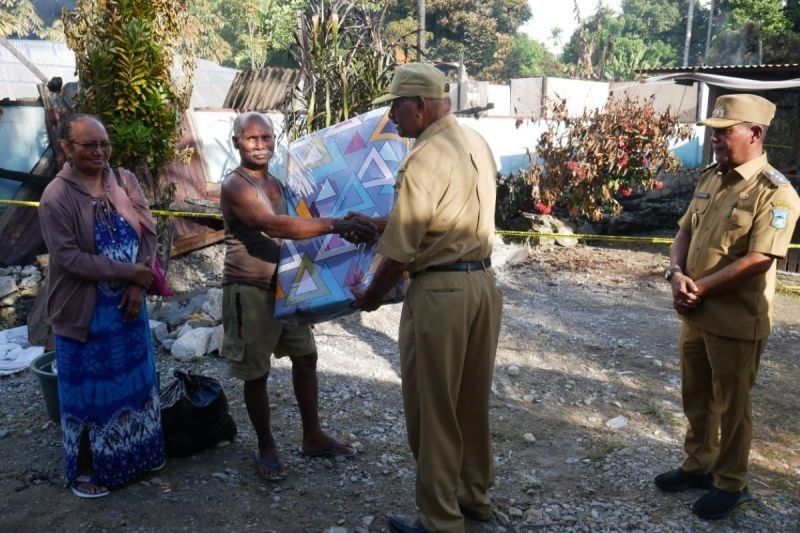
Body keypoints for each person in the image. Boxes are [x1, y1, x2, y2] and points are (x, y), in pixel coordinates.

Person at [353, 63, 503, 533]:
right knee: (470, 401)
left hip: (440, 292)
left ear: (419, 105)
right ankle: (473, 497)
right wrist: (383, 224)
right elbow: (444, 215)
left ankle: (440, 519)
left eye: (396, 107)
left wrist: (369, 297)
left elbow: (401, 253)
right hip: (481, 286)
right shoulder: (475, 142)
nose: (391, 118)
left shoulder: (423, 156)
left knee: (433, 407)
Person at [657, 94, 800, 519]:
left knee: (732, 406)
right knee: (696, 396)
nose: (716, 138)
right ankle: (699, 464)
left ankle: (731, 482)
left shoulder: (776, 193)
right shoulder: (711, 178)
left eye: (725, 130)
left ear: (754, 133)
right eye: (715, 130)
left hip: (736, 320)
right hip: (695, 313)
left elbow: (760, 259)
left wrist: (699, 288)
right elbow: (683, 231)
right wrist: (676, 273)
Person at [220, 112, 376, 482]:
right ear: (237, 142)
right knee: (256, 373)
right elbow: (273, 224)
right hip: (250, 288)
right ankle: (266, 445)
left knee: (306, 358)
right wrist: (338, 224)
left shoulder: (280, 182)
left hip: (287, 287)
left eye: (266, 138)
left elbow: (306, 217)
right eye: (251, 139)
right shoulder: (236, 186)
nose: (260, 145)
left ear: (275, 140)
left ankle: (312, 436)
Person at [39, 114, 165, 498]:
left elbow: (148, 231)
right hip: (85, 313)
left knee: (136, 382)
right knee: (88, 394)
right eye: (88, 145)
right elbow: (70, 259)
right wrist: (130, 273)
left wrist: (136, 285)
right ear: (66, 148)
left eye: (104, 144)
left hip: (128, 306)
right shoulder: (56, 197)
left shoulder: (123, 180)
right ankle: (88, 471)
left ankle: (140, 455)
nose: (99, 152)